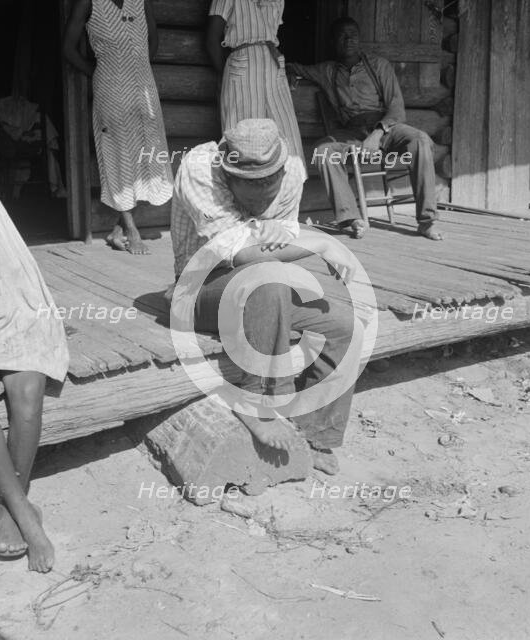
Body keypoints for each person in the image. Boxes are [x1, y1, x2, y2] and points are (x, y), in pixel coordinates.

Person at [169, 118, 365, 475]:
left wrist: (283, 241)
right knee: (266, 277)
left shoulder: (292, 170)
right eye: (250, 184)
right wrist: (321, 243)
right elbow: (247, 254)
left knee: (342, 325)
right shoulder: (199, 168)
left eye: (269, 181)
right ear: (228, 173)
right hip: (199, 286)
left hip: (261, 284)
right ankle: (253, 402)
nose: (263, 192)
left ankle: (317, 433)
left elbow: (283, 239)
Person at [0, 117, 70, 572]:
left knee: (26, 394)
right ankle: (26, 516)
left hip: (16, 314)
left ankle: (14, 511)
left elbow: (18, 276)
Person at [288, 17, 444, 241]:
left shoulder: (379, 65)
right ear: (333, 41)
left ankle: (427, 221)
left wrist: (377, 134)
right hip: (351, 133)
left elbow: (397, 109)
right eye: (342, 35)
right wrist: (291, 72)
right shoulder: (327, 71)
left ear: (359, 39)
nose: (349, 39)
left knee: (419, 139)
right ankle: (351, 219)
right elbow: (293, 66)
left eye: (353, 34)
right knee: (323, 151)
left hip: (387, 129)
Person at [63, 0, 173, 254]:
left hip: (143, 86)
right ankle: (131, 229)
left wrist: (138, 67)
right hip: (110, 88)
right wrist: (99, 71)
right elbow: (68, 48)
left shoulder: (140, 2)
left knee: (148, 153)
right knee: (118, 152)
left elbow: (152, 40)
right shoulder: (88, 3)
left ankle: (117, 229)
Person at [206, 0, 306, 175]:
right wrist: (226, 74)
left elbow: (271, 35)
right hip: (243, 62)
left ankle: (289, 187)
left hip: (273, 63)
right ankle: (244, 188)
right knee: (243, 131)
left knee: (285, 132)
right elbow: (211, 39)